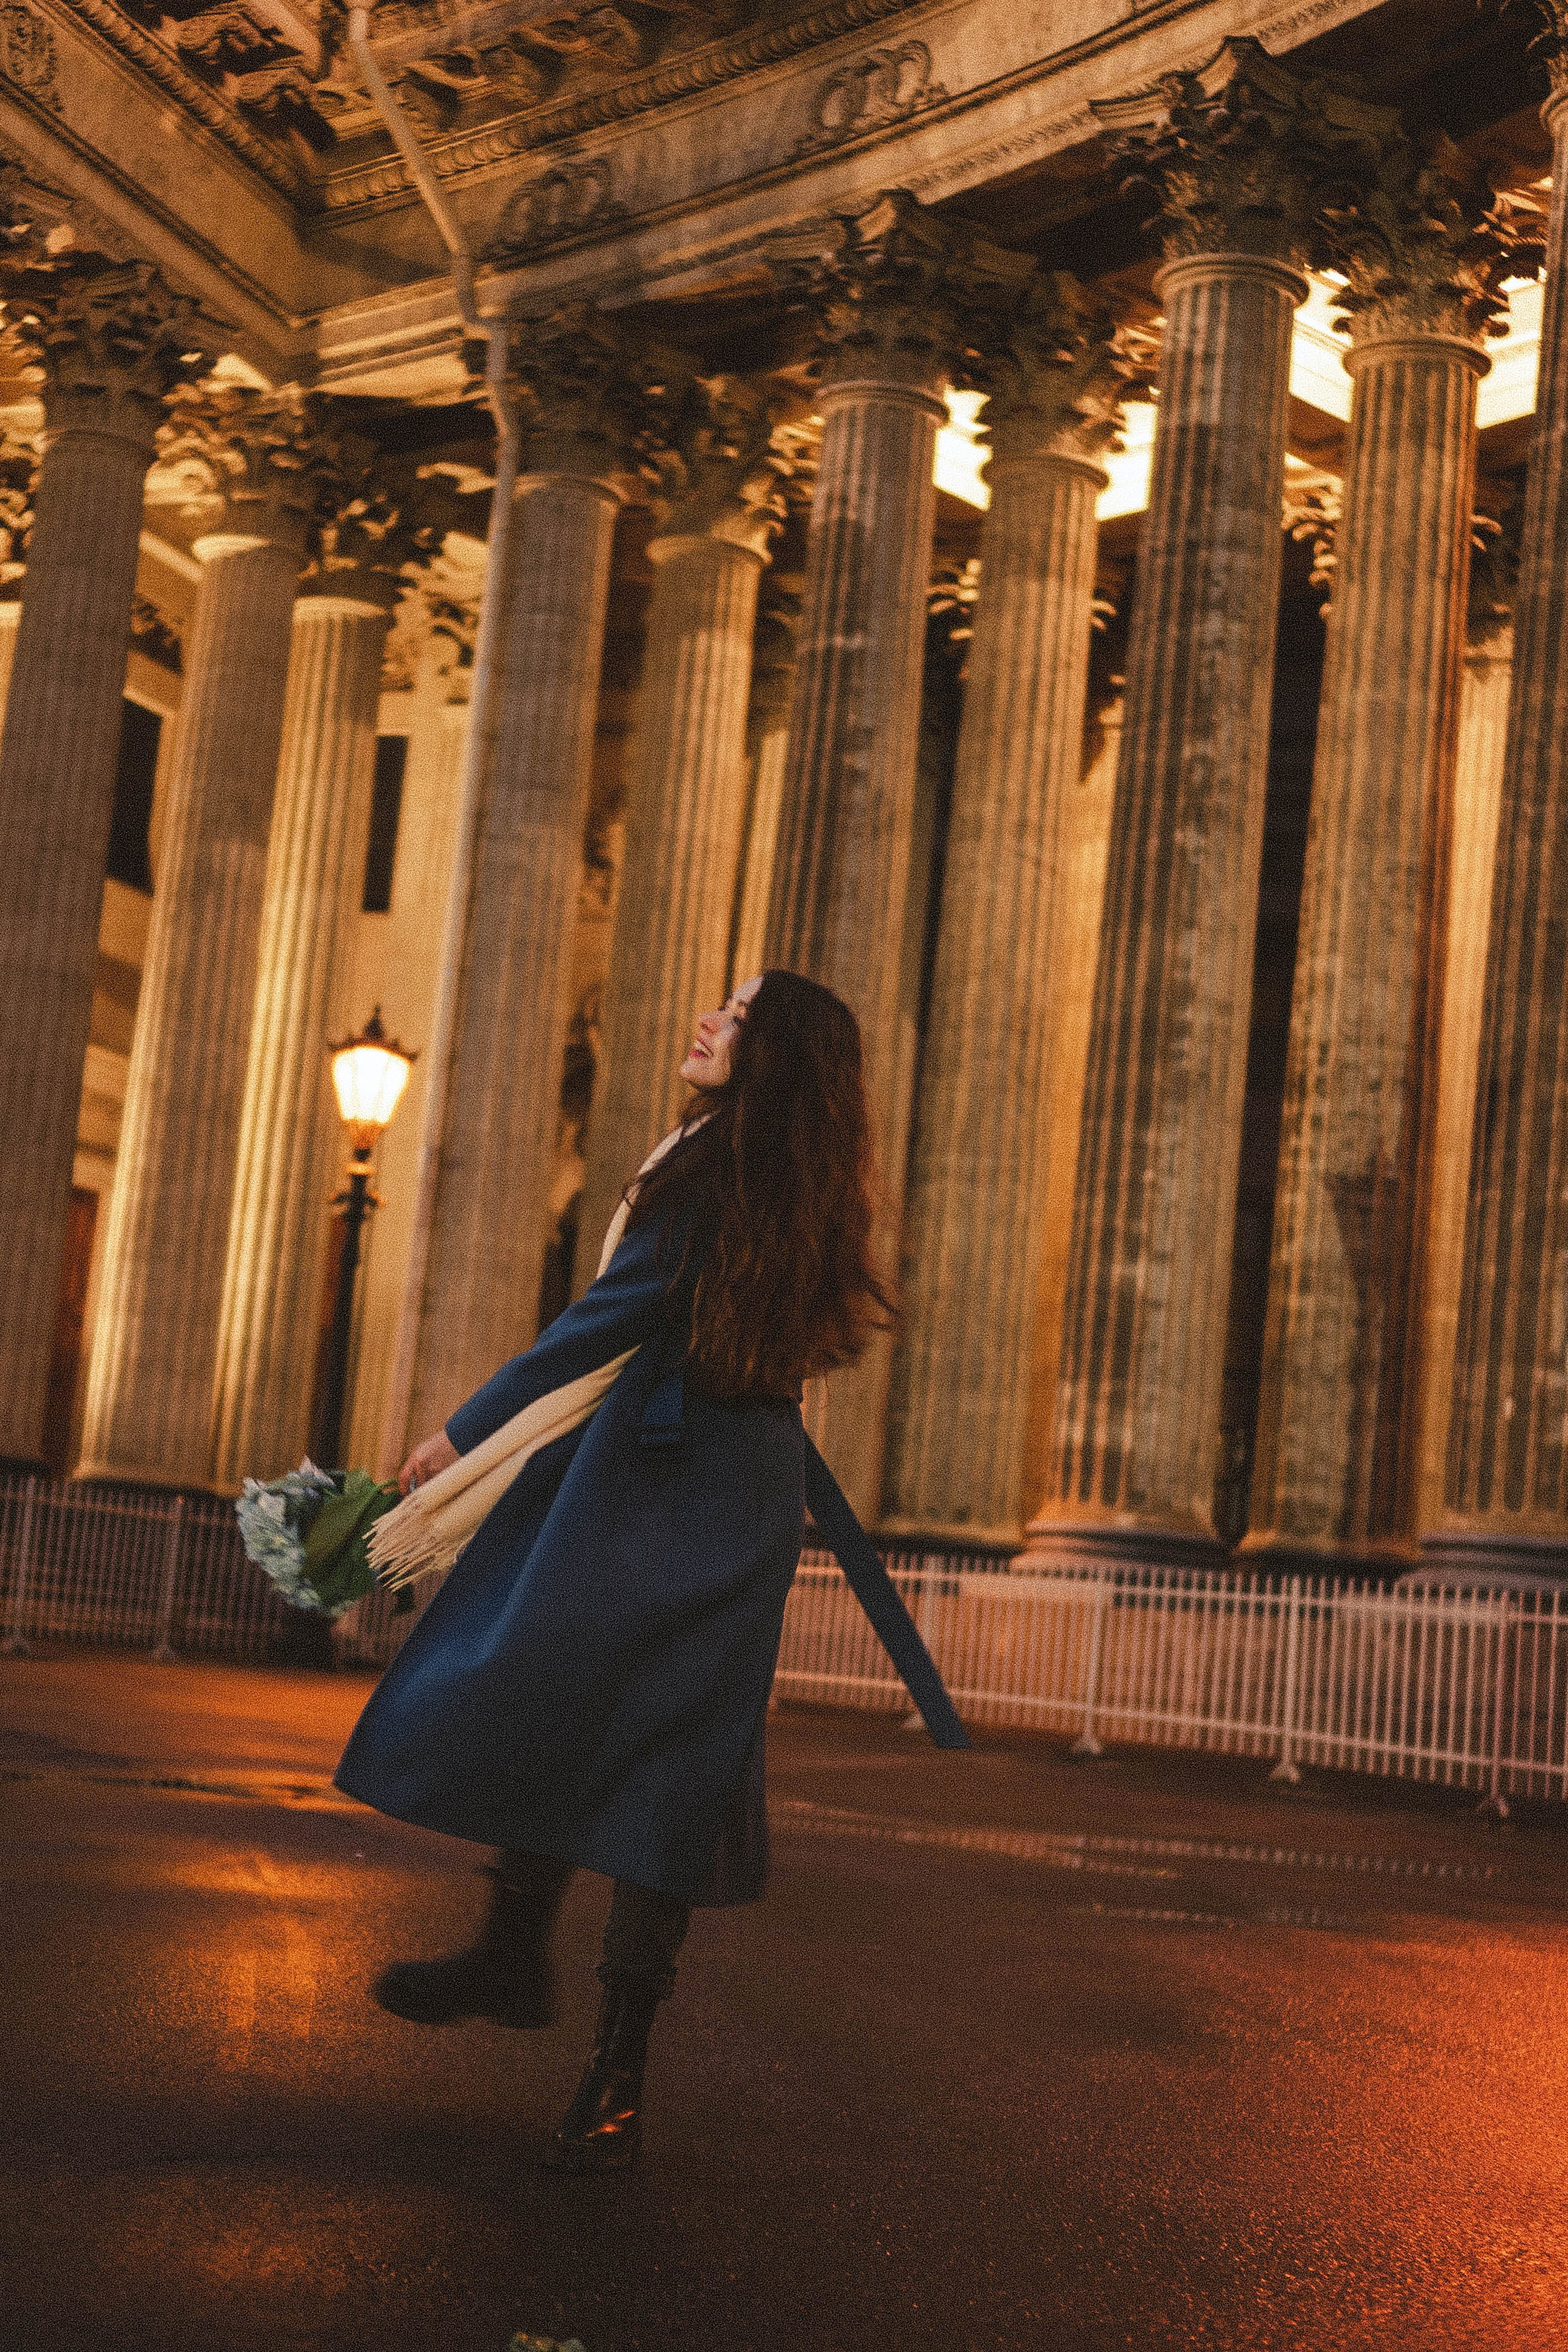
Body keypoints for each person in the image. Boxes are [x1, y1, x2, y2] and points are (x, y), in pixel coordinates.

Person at [334, 969, 965, 2174]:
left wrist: (462, 1431)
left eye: (738, 1016)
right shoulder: (804, 1184)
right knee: (670, 1751)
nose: (707, 1019)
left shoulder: (712, 1167)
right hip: (738, 1480)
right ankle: (596, 2050)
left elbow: (607, 1316)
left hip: (655, 1473)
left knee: (564, 1696)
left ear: (772, 1057)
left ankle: (544, 1983)